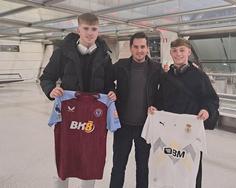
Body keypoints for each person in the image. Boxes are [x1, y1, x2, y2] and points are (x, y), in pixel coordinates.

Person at [39, 13, 116, 188]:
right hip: (68, 115)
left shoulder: (105, 56)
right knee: (66, 154)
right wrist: (51, 90)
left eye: (94, 29)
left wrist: (111, 92)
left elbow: (109, 84)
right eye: (86, 29)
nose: (90, 33)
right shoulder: (62, 54)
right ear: (78, 29)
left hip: (94, 117)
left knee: (91, 156)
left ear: (99, 31)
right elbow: (47, 78)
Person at [149, 38, 219, 188]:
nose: (178, 54)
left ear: (188, 52)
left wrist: (206, 110)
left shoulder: (199, 76)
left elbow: (211, 99)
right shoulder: (166, 77)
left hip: (190, 133)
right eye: (175, 51)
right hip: (169, 133)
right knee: (168, 166)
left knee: (190, 168)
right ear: (170, 53)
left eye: (182, 50)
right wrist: (154, 107)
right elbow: (160, 99)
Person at [109, 32, 162, 188]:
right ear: (131, 48)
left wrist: (156, 106)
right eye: (136, 47)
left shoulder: (156, 68)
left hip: (145, 127)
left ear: (147, 48)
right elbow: (105, 79)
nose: (140, 50)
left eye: (143, 47)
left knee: (142, 167)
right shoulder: (121, 65)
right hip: (122, 126)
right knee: (118, 166)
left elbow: (165, 91)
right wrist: (112, 90)